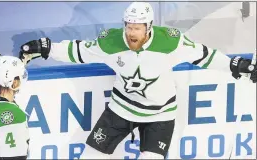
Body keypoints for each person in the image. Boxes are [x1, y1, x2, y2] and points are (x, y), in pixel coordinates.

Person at [18, 2, 256, 159]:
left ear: (149, 27)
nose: (132, 33)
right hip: (120, 111)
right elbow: (79, 51)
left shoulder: (171, 42)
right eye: (129, 27)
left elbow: (204, 55)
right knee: (90, 156)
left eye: (137, 28)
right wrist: (47, 48)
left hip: (160, 116)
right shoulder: (111, 42)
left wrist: (235, 64)